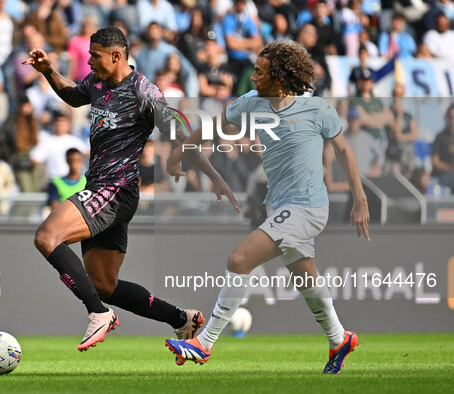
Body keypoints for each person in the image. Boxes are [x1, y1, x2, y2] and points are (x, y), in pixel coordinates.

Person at [23, 26, 238, 351]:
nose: (89, 62)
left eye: (94, 56)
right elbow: (73, 95)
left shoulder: (144, 92)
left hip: (115, 189)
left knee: (46, 237)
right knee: (104, 285)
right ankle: (182, 319)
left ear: (116, 55)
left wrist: (214, 175)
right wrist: (49, 71)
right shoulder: (96, 83)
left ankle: (98, 313)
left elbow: (181, 136)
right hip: (101, 188)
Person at [165, 40, 370, 374]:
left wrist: (360, 199)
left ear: (279, 76)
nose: (252, 77)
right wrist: (179, 150)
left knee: (239, 259)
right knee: (307, 280)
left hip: (308, 206)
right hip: (279, 206)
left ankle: (203, 344)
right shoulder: (251, 102)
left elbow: (344, 151)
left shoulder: (317, 109)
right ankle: (340, 338)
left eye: (259, 72)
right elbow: (217, 126)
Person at [431, 104, 454, 191]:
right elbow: (435, 162)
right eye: (450, 117)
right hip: (443, 175)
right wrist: (451, 167)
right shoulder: (440, 137)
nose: (452, 120)